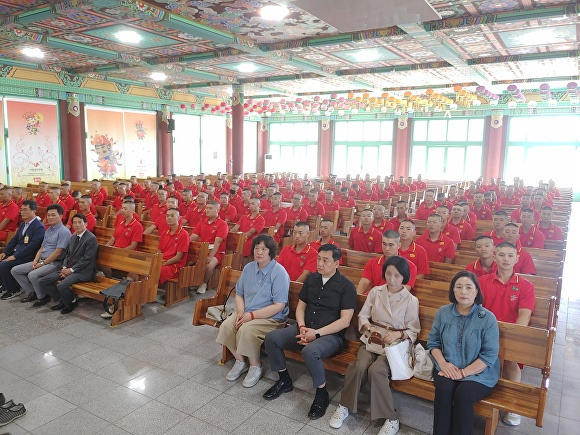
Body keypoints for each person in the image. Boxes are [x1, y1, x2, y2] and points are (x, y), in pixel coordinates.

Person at [263, 244, 356, 420]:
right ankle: (284, 380)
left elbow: (345, 321)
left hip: (330, 336)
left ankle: (322, 393)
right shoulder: (312, 279)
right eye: (319, 259)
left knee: (310, 351)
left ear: (336, 263)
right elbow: (300, 307)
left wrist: (317, 333)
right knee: (272, 338)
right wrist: (302, 327)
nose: (320, 263)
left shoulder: (346, 286)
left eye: (325, 260)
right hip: (305, 328)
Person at [330, 256, 420, 433]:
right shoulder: (376, 292)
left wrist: (398, 333)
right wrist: (369, 327)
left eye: (397, 276)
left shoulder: (411, 300)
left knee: (376, 370)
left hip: (394, 345)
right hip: (372, 339)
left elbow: (413, 330)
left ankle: (391, 418)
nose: (392, 279)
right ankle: (344, 406)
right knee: (359, 365)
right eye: (388, 274)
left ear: (404, 278)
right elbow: (363, 316)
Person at [428, 271, 500, 435]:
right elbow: (434, 343)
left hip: (479, 373)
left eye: (469, 287)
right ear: (453, 291)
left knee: (463, 394)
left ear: (476, 291)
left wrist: (463, 373)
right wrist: (444, 364)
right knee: (444, 389)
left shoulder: (487, 318)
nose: (463, 292)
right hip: (446, 366)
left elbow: (489, 356)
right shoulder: (443, 312)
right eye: (458, 287)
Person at [216, 235, 290, 388]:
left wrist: (251, 316)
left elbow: (279, 305)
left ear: (271, 252)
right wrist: (241, 312)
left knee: (246, 330)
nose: (259, 252)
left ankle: (256, 366)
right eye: (256, 248)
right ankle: (240, 361)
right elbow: (240, 293)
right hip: (247, 311)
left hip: (271, 317)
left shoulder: (279, 272)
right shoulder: (249, 267)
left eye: (264, 249)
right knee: (226, 326)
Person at [478, 242, 535, 426]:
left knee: (511, 362)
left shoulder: (525, 285)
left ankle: (512, 406)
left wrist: (512, 337)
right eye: (501, 255)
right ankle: (482, 394)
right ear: (494, 256)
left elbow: (524, 315)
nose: (505, 259)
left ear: (517, 258)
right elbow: (477, 309)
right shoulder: (483, 281)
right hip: (486, 331)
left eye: (510, 255)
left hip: (511, 333)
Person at [37, 214, 98, 314]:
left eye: (80, 222)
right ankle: (63, 299)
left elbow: (87, 259)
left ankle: (72, 302)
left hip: (82, 272)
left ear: (86, 224)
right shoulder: (73, 237)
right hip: (68, 269)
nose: (77, 225)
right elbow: (67, 255)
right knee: (43, 281)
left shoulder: (90, 238)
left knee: (62, 285)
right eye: (75, 223)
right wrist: (65, 267)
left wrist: (71, 270)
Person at [11, 204, 71, 306]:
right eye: (48, 215)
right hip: (42, 261)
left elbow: (58, 252)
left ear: (61, 216)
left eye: (53, 215)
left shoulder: (64, 231)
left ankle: (43, 297)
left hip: (55, 263)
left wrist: (42, 263)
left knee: (32, 275)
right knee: (16, 270)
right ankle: (32, 292)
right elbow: (42, 248)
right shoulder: (48, 230)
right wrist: (35, 261)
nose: (50, 217)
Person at [0, 201, 46, 300]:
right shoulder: (23, 224)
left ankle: (14, 289)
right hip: (19, 252)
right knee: (1, 259)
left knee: (3, 265)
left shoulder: (39, 227)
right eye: (21, 210)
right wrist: (5, 252)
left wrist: (15, 256)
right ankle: (4, 285)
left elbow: (33, 246)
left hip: (29, 256)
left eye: (25, 210)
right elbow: (15, 240)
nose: (22, 212)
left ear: (33, 211)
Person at [357, 231, 417, 295]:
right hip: (374, 298)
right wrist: (358, 297)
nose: (387, 248)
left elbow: (404, 290)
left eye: (391, 245)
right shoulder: (372, 263)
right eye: (384, 244)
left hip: (395, 301)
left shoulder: (410, 266)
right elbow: (364, 283)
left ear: (399, 245)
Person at [190, 201, 228, 294]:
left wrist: (210, 256)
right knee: (188, 260)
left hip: (217, 251)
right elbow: (193, 237)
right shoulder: (202, 222)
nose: (207, 210)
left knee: (208, 266)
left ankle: (203, 283)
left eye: (210, 208)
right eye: (207, 208)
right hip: (202, 249)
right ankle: (193, 281)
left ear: (217, 210)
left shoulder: (222, 224)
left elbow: (217, 242)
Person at [158, 208, 190, 285]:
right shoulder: (165, 233)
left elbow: (178, 257)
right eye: (167, 216)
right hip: (163, 261)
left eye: (172, 216)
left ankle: (149, 291)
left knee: (159, 270)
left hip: (175, 265)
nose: (169, 218)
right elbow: (159, 251)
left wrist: (164, 263)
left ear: (179, 218)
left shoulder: (184, 234)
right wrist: (157, 260)